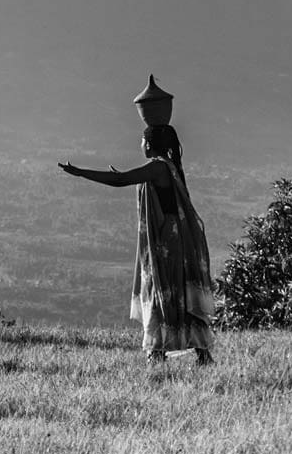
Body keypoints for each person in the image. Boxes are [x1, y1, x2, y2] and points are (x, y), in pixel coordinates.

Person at [57, 76, 215, 364]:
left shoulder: (157, 168)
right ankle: (197, 352)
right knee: (175, 290)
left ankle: (158, 351)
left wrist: (81, 172)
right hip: (174, 238)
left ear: (150, 143)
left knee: (161, 288)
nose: (140, 143)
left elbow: (121, 181)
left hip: (167, 242)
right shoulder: (168, 167)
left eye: (142, 139)